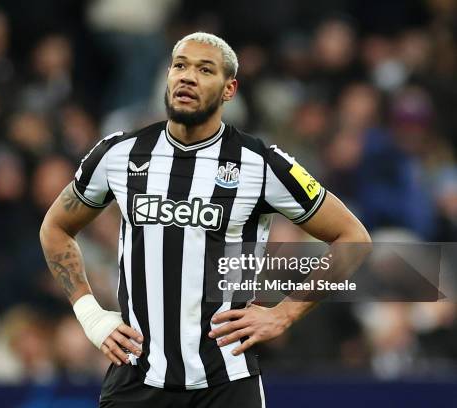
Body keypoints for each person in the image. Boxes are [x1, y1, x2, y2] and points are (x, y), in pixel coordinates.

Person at [40, 32, 371, 407]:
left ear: (229, 89)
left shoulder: (260, 164)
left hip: (226, 385)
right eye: (180, 65)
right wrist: (90, 315)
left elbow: (352, 238)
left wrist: (285, 313)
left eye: (204, 69)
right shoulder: (119, 154)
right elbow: (55, 227)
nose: (187, 76)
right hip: (136, 380)